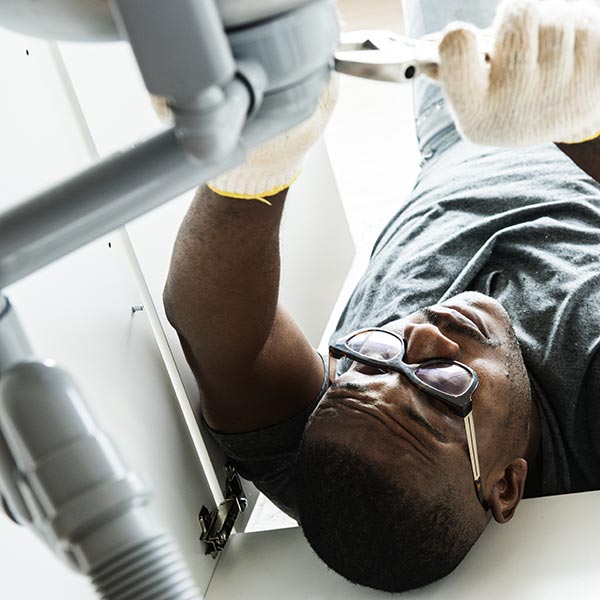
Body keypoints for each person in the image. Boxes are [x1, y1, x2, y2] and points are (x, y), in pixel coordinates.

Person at [163, 0, 600, 592]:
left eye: (371, 355)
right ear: (506, 485)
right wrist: (579, 120)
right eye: (444, 385)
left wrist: (259, 161)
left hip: (457, 119)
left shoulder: (342, 457)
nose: (416, 334)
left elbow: (217, 334)